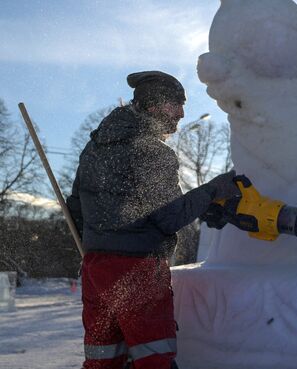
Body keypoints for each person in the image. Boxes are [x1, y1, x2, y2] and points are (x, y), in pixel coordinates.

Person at [66, 71, 239, 369]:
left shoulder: (94, 148)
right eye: (176, 104)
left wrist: (103, 245)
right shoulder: (152, 153)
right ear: (154, 106)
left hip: (95, 267)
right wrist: (215, 189)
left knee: (103, 357)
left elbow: (75, 209)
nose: (182, 113)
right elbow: (171, 216)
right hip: (139, 272)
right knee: (153, 357)